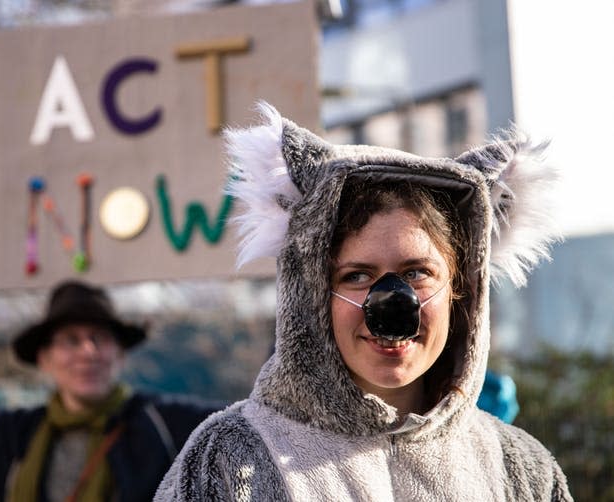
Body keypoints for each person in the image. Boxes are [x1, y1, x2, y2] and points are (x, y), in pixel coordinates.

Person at [155, 103, 572, 501]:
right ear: (313, 295)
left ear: (460, 289)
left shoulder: (520, 468)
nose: (392, 302)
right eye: (357, 276)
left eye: (416, 273)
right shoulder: (231, 459)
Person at [0, 250, 221, 502]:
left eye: (99, 338)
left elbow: (254, 425)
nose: (87, 351)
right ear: (45, 359)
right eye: (71, 340)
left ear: (119, 355)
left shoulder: (166, 427)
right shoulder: (15, 438)